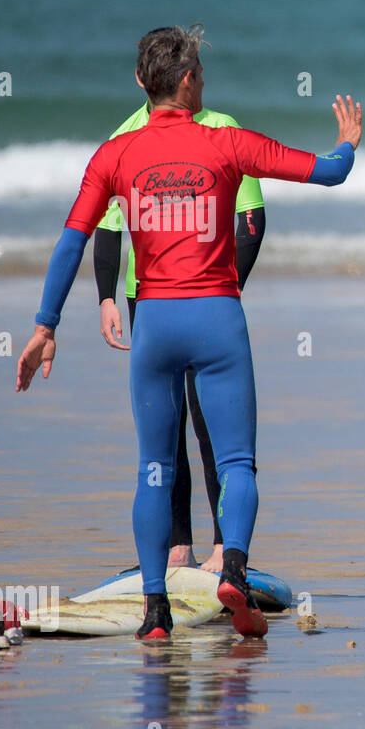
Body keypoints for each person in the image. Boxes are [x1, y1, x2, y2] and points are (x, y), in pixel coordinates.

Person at [16, 25, 363, 638]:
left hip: (154, 325)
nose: (203, 81)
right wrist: (347, 144)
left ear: (140, 84)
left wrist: (46, 324)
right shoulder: (228, 144)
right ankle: (232, 569)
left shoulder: (114, 154)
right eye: (199, 72)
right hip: (217, 319)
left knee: (154, 467)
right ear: (185, 82)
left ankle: (155, 615)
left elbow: (73, 239)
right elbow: (328, 173)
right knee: (236, 465)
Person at [94, 84, 270, 573]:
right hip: (145, 296)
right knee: (164, 430)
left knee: (212, 420)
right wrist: (107, 296)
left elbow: (250, 220)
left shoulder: (223, 128)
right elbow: (109, 227)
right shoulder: (124, 137)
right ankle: (177, 548)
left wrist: (228, 286)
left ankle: (222, 549)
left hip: (209, 295)